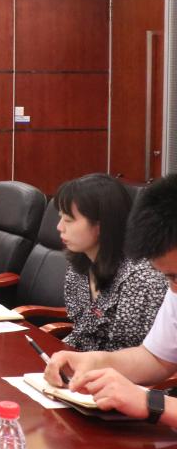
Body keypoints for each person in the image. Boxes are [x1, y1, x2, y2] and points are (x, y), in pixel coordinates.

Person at [45, 173, 177, 424]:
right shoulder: (174, 288)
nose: (171, 289)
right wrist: (92, 361)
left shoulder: (141, 277)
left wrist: (150, 403)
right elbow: (156, 358)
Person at [54, 173, 166, 352]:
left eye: (68, 220)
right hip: (82, 360)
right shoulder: (79, 263)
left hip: (122, 367)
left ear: (101, 226)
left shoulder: (142, 279)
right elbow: (81, 332)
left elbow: (148, 356)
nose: (59, 227)